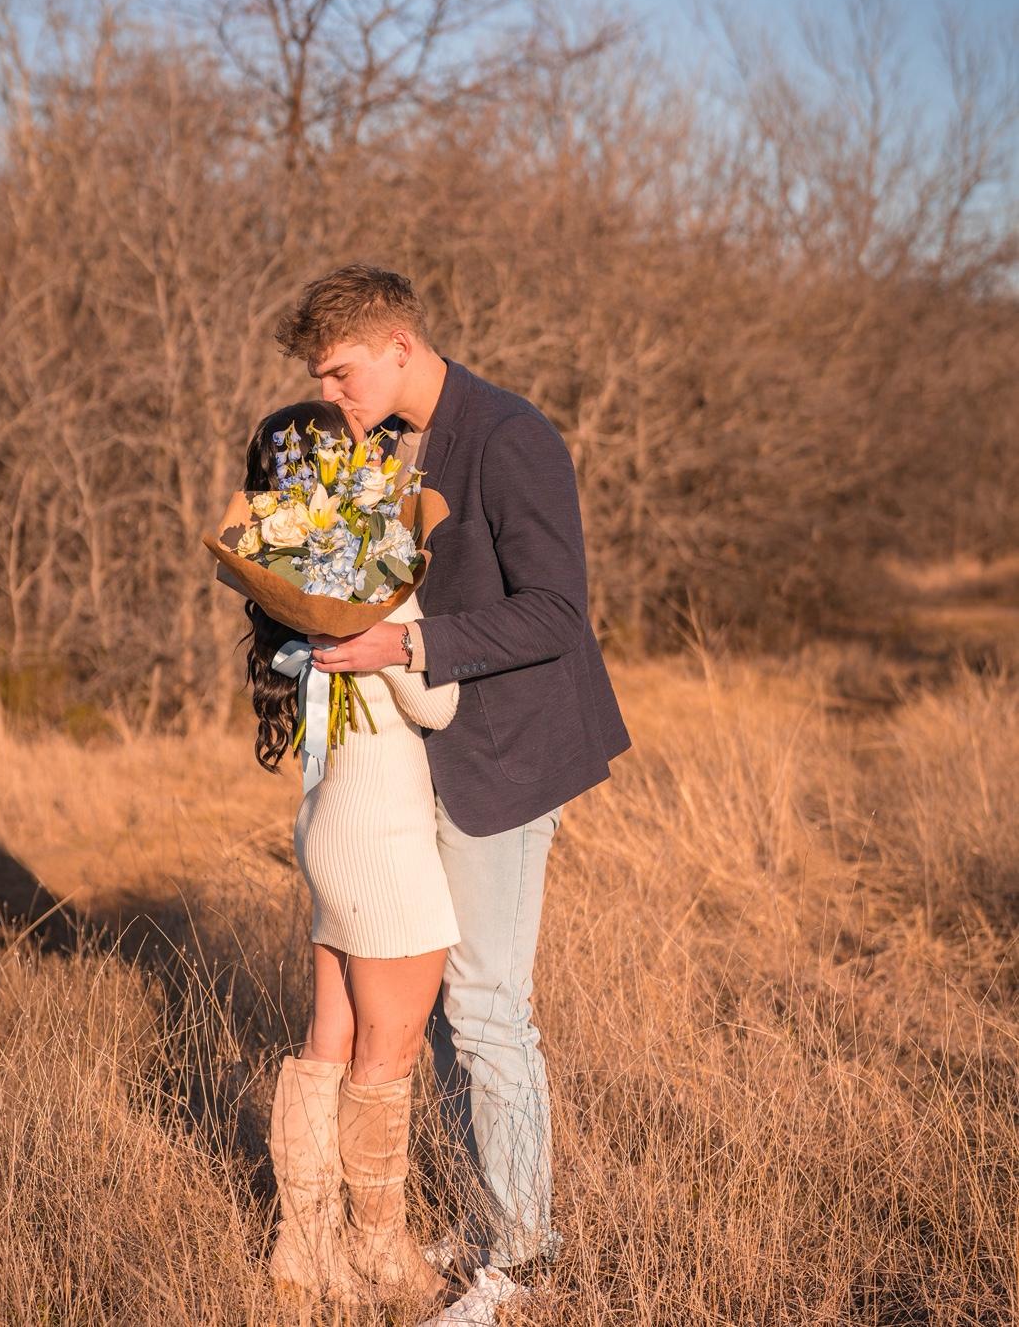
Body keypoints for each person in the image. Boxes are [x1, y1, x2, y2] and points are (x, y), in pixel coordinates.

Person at [276, 265, 632, 1322]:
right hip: (425, 760)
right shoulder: (391, 445)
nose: (330, 393)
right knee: (440, 1017)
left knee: (486, 1009)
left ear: (398, 344)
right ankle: (489, 1222)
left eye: (340, 372)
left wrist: (403, 644)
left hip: (510, 757)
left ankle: (522, 1262)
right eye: (321, 378)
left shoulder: (511, 435)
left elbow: (556, 611)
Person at [239, 399, 460, 1314]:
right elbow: (437, 706)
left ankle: (302, 1252)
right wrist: (412, 638)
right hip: (383, 836)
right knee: (387, 1056)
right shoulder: (372, 571)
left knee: (326, 1044)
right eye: (363, 447)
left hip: (328, 823)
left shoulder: (290, 582)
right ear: (345, 471)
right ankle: (380, 1250)